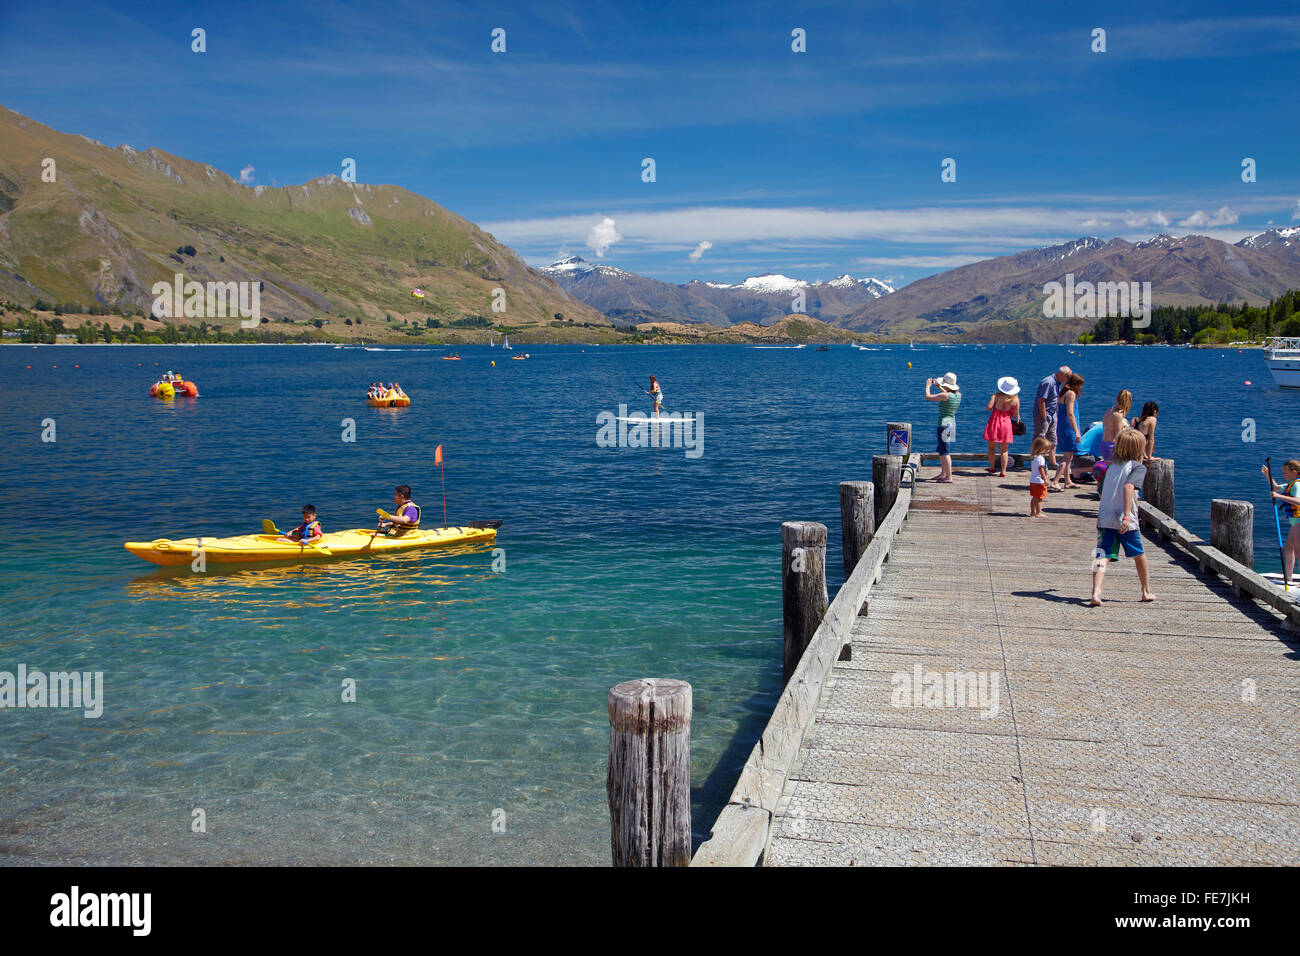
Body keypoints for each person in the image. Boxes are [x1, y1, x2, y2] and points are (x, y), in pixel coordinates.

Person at [1090, 429, 1155, 606]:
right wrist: (1126, 516)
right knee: (1139, 555)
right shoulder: (1137, 467)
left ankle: (1096, 591)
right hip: (1125, 520)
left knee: (1102, 555)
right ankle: (1145, 590)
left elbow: (1101, 492)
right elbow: (1128, 487)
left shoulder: (1111, 467)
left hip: (1105, 517)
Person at [1262, 459, 1300, 582]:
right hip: (1295, 522)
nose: (1283, 474)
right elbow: (1276, 488)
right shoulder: (1291, 483)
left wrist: (1278, 497)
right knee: (1289, 547)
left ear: (1294, 472)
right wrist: (1268, 475)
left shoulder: (1298, 485)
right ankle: (1288, 577)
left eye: (1285, 472)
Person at [924, 372, 961, 483]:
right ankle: (943, 473)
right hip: (952, 423)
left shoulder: (945, 396)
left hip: (944, 424)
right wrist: (939, 386)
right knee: (941, 449)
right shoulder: (958, 395)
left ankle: (948, 477)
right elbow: (946, 394)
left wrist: (928, 386)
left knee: (945, 451)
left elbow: (928, 397)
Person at [1051, 373, 1085, 490]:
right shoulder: (1071, 394)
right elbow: (1070, 413)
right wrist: (1076, 431)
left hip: (1062, 425)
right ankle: (1055, 481)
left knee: (1068, 455)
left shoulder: (1063, 392)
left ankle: (1067, 480)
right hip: (1068, 426)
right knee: (1067, 457)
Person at [1033, 366, 1071, 470]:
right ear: (1063, 375)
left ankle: (1052, 462)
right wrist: (1044, 416)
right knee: (1040, 438)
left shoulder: (1058, 384)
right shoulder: (1048, 382)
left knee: (1053, 439)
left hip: (1053, 415)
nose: (1068, 380)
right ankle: (1037, 461)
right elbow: (1041, 400)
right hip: (1044, 415)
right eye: (1068, 377)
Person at [983, 376, 1019, 477]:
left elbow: (988, 407)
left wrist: (993, 400)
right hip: (1006, 423)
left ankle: (992, 467)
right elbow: (1015, 415)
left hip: (994, 422)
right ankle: (1003, 471)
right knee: (1004, 450)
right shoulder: (1015, 399)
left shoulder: (995, 396)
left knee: (991, 448)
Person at [1028, 436, 1050, 517]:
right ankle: (1038, 512)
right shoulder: (1041, 458)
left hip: (1033, 480)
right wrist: (1045, 479)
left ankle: (1032, 512)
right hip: (1039, 481)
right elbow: (1041, 469)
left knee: (1034, 497)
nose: (1048, 451)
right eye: (1046, 449)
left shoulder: (1034, 457)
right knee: (1039, 498)